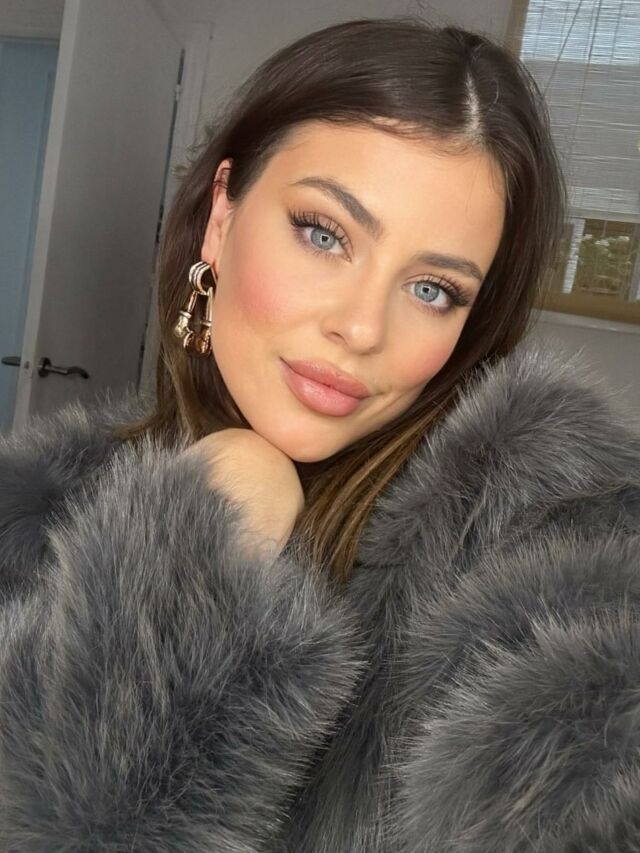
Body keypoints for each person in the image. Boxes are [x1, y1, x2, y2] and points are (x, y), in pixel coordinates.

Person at [0, 15, 639, 852]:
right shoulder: (30, 518)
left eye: (433, 289)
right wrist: (199, 545)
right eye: (325, 234)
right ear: (222, 217)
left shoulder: (548, 530)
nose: (362, 328)